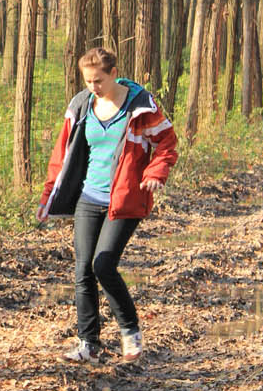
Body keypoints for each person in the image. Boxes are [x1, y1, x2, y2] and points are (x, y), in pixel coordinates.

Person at [38, 46, 177, 362]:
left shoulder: (139, 107)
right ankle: (88, 343)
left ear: (114, 74)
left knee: (103, 265)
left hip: (125, 198)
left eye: (98, 80)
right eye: (88, 81)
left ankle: (130, 330)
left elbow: (167, 143)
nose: (93, 87)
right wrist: (48, 197)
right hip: (89, 197)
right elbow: (62, 155)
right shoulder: (82, 106)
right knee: (83, 270)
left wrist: (155, 173)